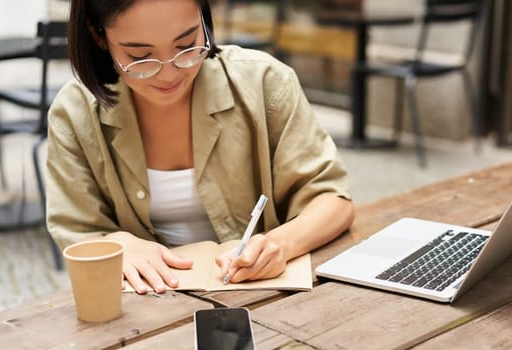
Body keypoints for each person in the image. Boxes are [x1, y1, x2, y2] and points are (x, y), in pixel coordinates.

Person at [47, 0, 354, 294]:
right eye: (140, 56)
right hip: (147, 309)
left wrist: (281, 243)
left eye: (186, 44)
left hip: (263, 297)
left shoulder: (264, 83)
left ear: (204, 18)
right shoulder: (75, 113)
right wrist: (118, 243)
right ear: (97, 34)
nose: (170, 73)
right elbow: (78, 231)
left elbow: (332, 200)